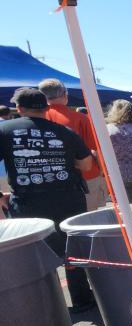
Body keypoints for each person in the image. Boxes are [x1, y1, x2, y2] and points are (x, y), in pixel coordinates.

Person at [0, 88, 96, 312]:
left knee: (32, 252)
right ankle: (82, 298)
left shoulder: (5, 130)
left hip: (27, 201)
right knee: (72, 249)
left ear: (19, 108)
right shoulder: (64, 131)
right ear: (46, 108)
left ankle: (41, 304)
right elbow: (86, 165)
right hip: (68, 197)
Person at [39, 78, 109, 211]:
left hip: (48, 179)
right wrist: (101, 170)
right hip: (85, 176)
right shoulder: (80, 118)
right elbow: (96, 149)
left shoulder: (36, 119)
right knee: (89, 219)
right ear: (65, 95)